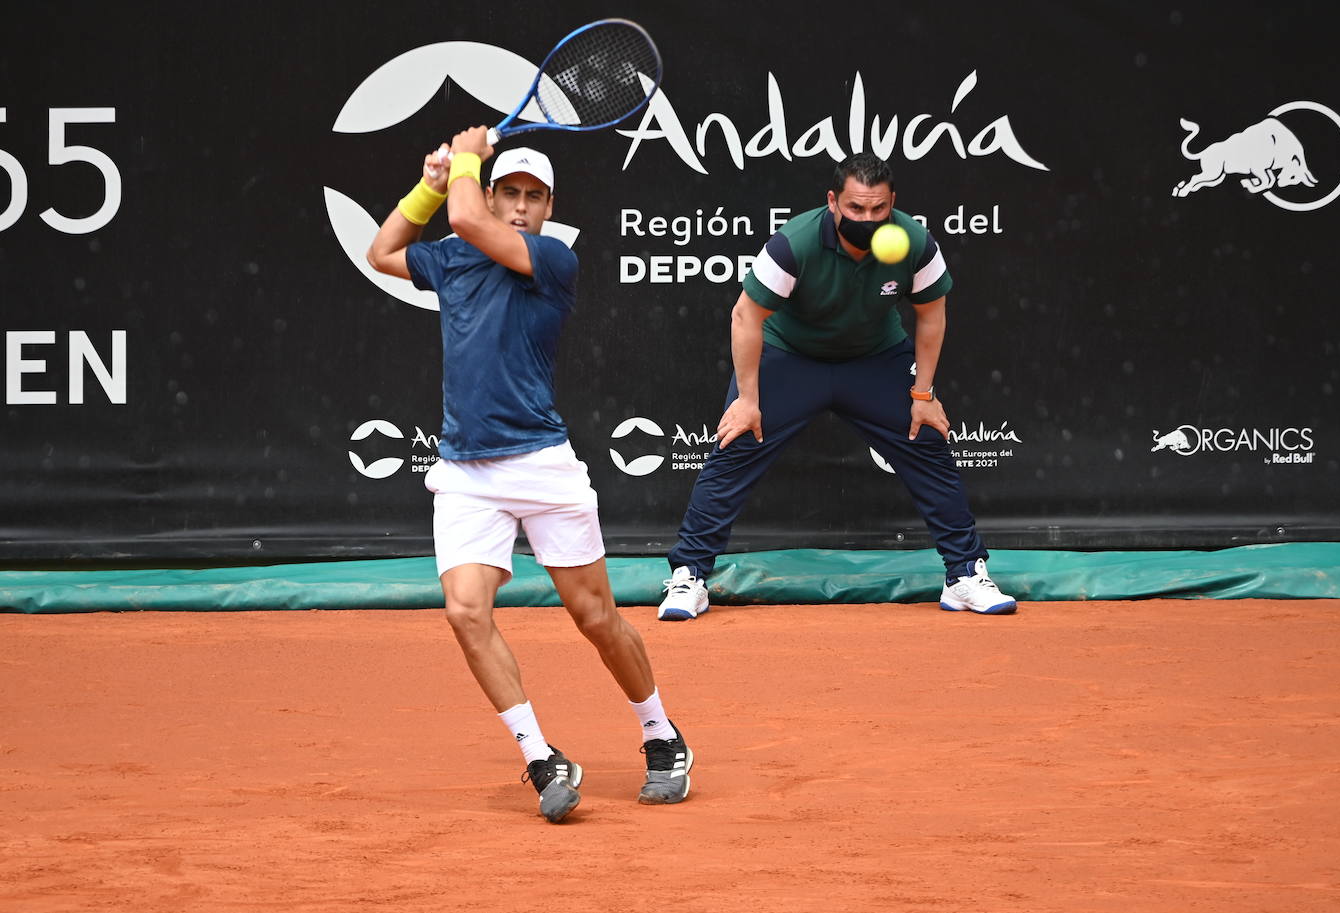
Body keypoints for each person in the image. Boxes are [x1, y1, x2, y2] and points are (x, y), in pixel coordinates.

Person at [366, 127, 693, 822]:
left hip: (542, 465)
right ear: (492, 193)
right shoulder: (454, 260)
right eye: (507, 194)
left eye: (532, 197)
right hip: (463, 472)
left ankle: (661, 733)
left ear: (549, 209)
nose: (519, 207)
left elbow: (463, 215)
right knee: (464, 611)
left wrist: (462, 163)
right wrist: (431, 181)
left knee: (596, 618)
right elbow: (383, 251)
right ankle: (541, 756)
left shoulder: (552, 260)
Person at [658, 152, 1016, 621]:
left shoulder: (914, 242)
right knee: (735, 441)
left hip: (875, 360)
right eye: (855, 208)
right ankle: (690, 577)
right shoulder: (794, 243)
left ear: (893, 204)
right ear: (833, 202)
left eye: (878, 209)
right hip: (791, 357)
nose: (867, 219)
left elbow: (932, 315)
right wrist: (748, 399)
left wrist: (923, 396)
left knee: (926, 440)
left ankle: (964, 575)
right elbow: (746, 315)